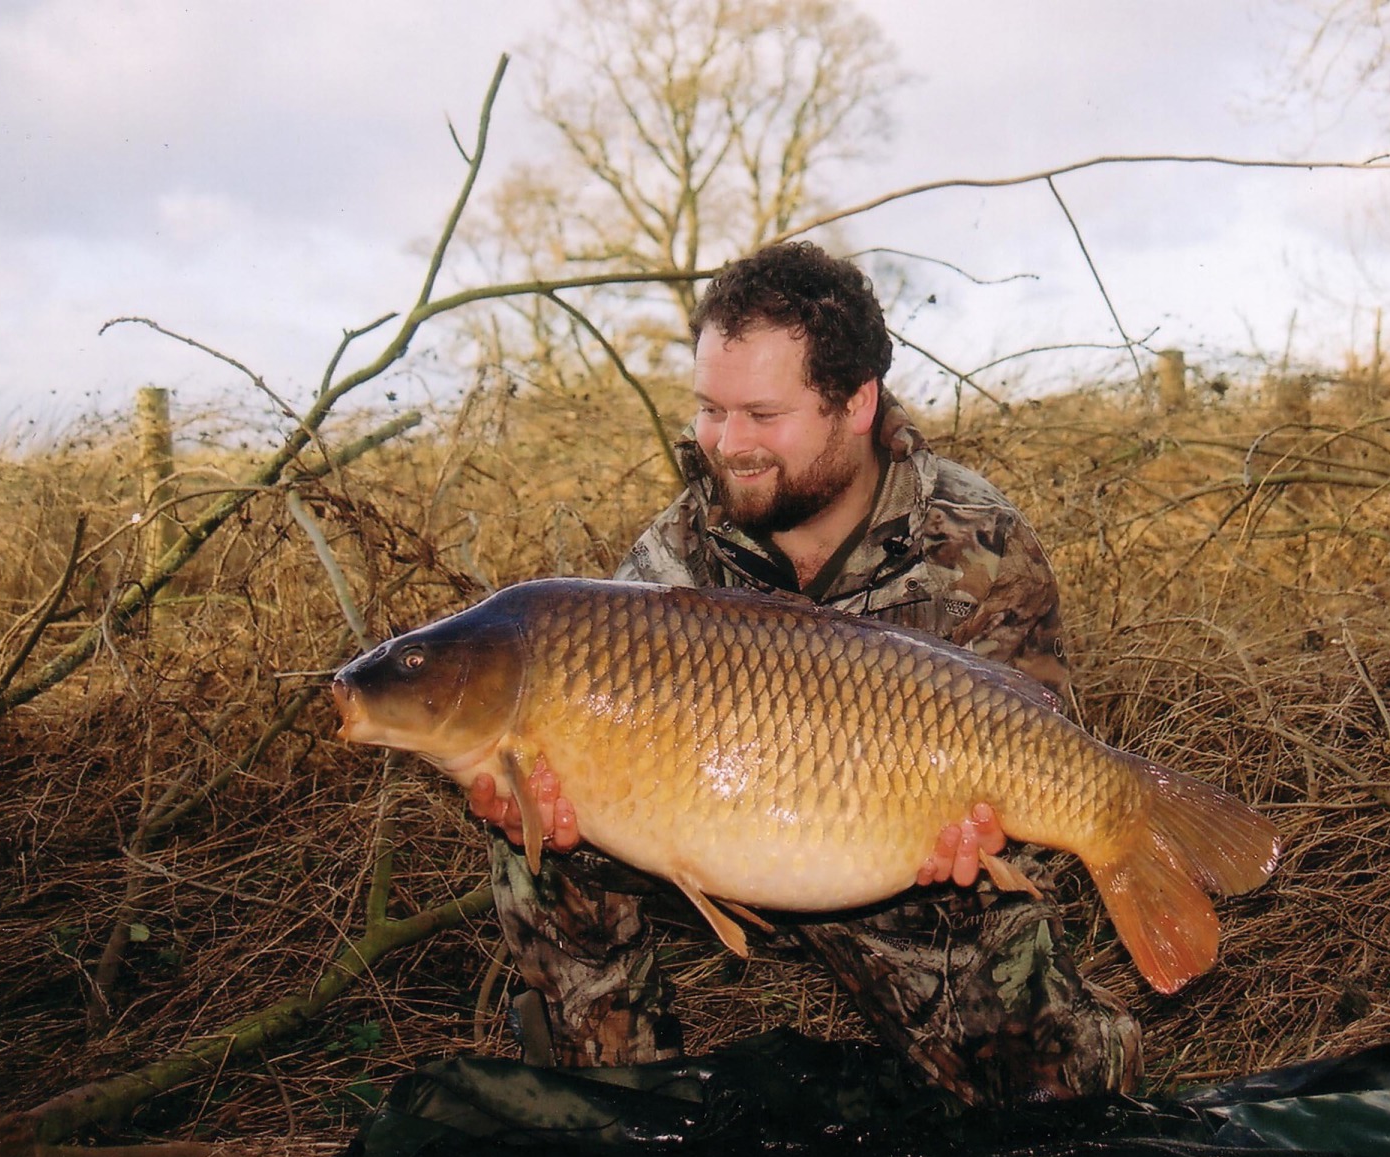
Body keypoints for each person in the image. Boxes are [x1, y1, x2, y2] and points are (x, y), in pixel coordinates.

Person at [468, 241, 1142, 1105]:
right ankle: (617, 1099)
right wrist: (544, 803)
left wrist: (983, 842)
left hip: (889, 861)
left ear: (856, 402)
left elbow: (1032, 742)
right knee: (529, 819)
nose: (728, 444)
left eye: (761, 414)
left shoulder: (978, 547)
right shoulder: (670, 559)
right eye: (711, 410)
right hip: (707, 832)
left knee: (1056, 1100)